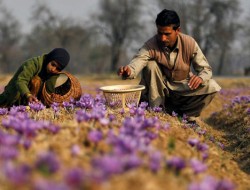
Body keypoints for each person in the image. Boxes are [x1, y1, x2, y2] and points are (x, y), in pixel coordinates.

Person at [117, 9, 221, 123]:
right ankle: (157, 111)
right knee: (151, 65)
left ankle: (187, 116)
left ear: (177, 30)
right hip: (159, 89)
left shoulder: (189, 43)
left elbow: (205, 69)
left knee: (212, 85)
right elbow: (138, 60)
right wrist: (129, 71)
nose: (163, 38)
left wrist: (200, 78)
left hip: (182, 87)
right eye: (160, 33)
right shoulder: (150, 45)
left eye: (167, 34)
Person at [0, 48, 70, 107]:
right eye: (53, 64)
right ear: (49, 59)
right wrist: (28, 95)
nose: (53, 69)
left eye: (58, 68)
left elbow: (49, 90)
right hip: (12, 97)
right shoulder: (33, 64)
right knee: (36, 80)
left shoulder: (54, 73)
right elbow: (21, 81)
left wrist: (53, 98)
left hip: (30, 103)